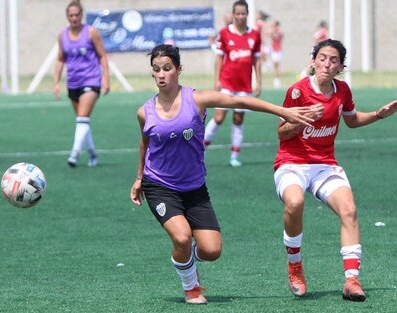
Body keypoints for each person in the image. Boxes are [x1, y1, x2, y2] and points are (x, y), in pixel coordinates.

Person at [130, 44, 322, 305]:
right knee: (182, 236)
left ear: (178, 70)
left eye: (167, 68)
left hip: (195, 188)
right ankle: (192, 289)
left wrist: (282, 111)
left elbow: (238, 101)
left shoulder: (197, 99)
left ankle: (182, 257)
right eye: (156, 70)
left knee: (211, 250)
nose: (162, 74)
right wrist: (140, 177)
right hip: (160, 186)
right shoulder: (145, 112)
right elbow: (145, 144)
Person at [273, 39, 397, 302]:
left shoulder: (342, 90)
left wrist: (378, 114)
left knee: (349, 210)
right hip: (291, 163)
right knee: (295, 202)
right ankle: (295, 265)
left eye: (333, 60)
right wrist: (303, 119)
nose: (326, 64)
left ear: (340, 66)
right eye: (322, 58)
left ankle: (352, 280)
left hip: (325, 165)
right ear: (313, 61)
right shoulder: (297, 91)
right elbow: (282, 133)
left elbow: (352, 120)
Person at [203, 0, 262, 167]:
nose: (240, 17)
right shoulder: (225, 33)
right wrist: (216, 80)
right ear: (233, 14)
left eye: (243, 13)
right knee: (219, 117)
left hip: (244, 86)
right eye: (237, 13)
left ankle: (234, 156)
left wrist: (258, 81)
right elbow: (219, 57)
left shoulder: (254, 35)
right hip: (227, 83)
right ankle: (201, 150)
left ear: (247, 14)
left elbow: (256, 61)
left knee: (238, 118)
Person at [53, 0, 110, 168]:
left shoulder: (91, 32)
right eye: (71, 15)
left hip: (91, 80)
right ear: (67, 16)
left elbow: (102, 55)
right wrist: (56, 83)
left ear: (81, 15)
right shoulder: (62, 35)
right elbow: (60, 59)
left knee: (82, 118)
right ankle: (92, 154)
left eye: (77, 14)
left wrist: (106, 78)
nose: (74, 18)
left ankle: (74, 154)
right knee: (82, 121)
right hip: (73, 83)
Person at [268, 20, 284, 89]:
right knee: (275, 65)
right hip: (273, 49)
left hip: (278, 49)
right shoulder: (273, 31)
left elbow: (282, 35)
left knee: (277, 65)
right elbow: (268, 34)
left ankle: (277, 80)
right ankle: (275, 80)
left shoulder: (279, 32)